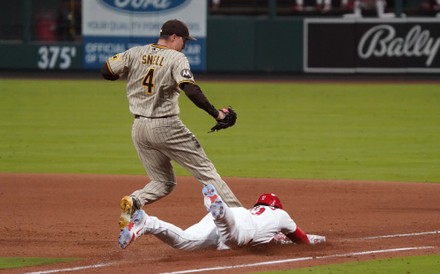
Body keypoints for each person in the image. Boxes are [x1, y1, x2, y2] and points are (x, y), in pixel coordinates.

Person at [100, 19, 242, 231]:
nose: (185, 44)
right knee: (207, 173)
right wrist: (217, 114)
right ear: (174, 37)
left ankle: (134, 201)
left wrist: (129, 75)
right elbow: (191, 90)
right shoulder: (176, 58)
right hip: (166, 126)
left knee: (163, 182)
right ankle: (243, 222)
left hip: (139, 129)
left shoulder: (135, 52)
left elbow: (107, 71)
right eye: (184, 40)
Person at [119, 185, 326, 250]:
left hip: (235, 214)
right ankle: (214, 204)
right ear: (277, 206)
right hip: (240, 225)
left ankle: (146, 223)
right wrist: (314, 242)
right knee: (231, 236)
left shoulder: (259, 213)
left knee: (184, 242)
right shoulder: (281, 215)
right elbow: (302, 239)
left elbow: (277, 239)